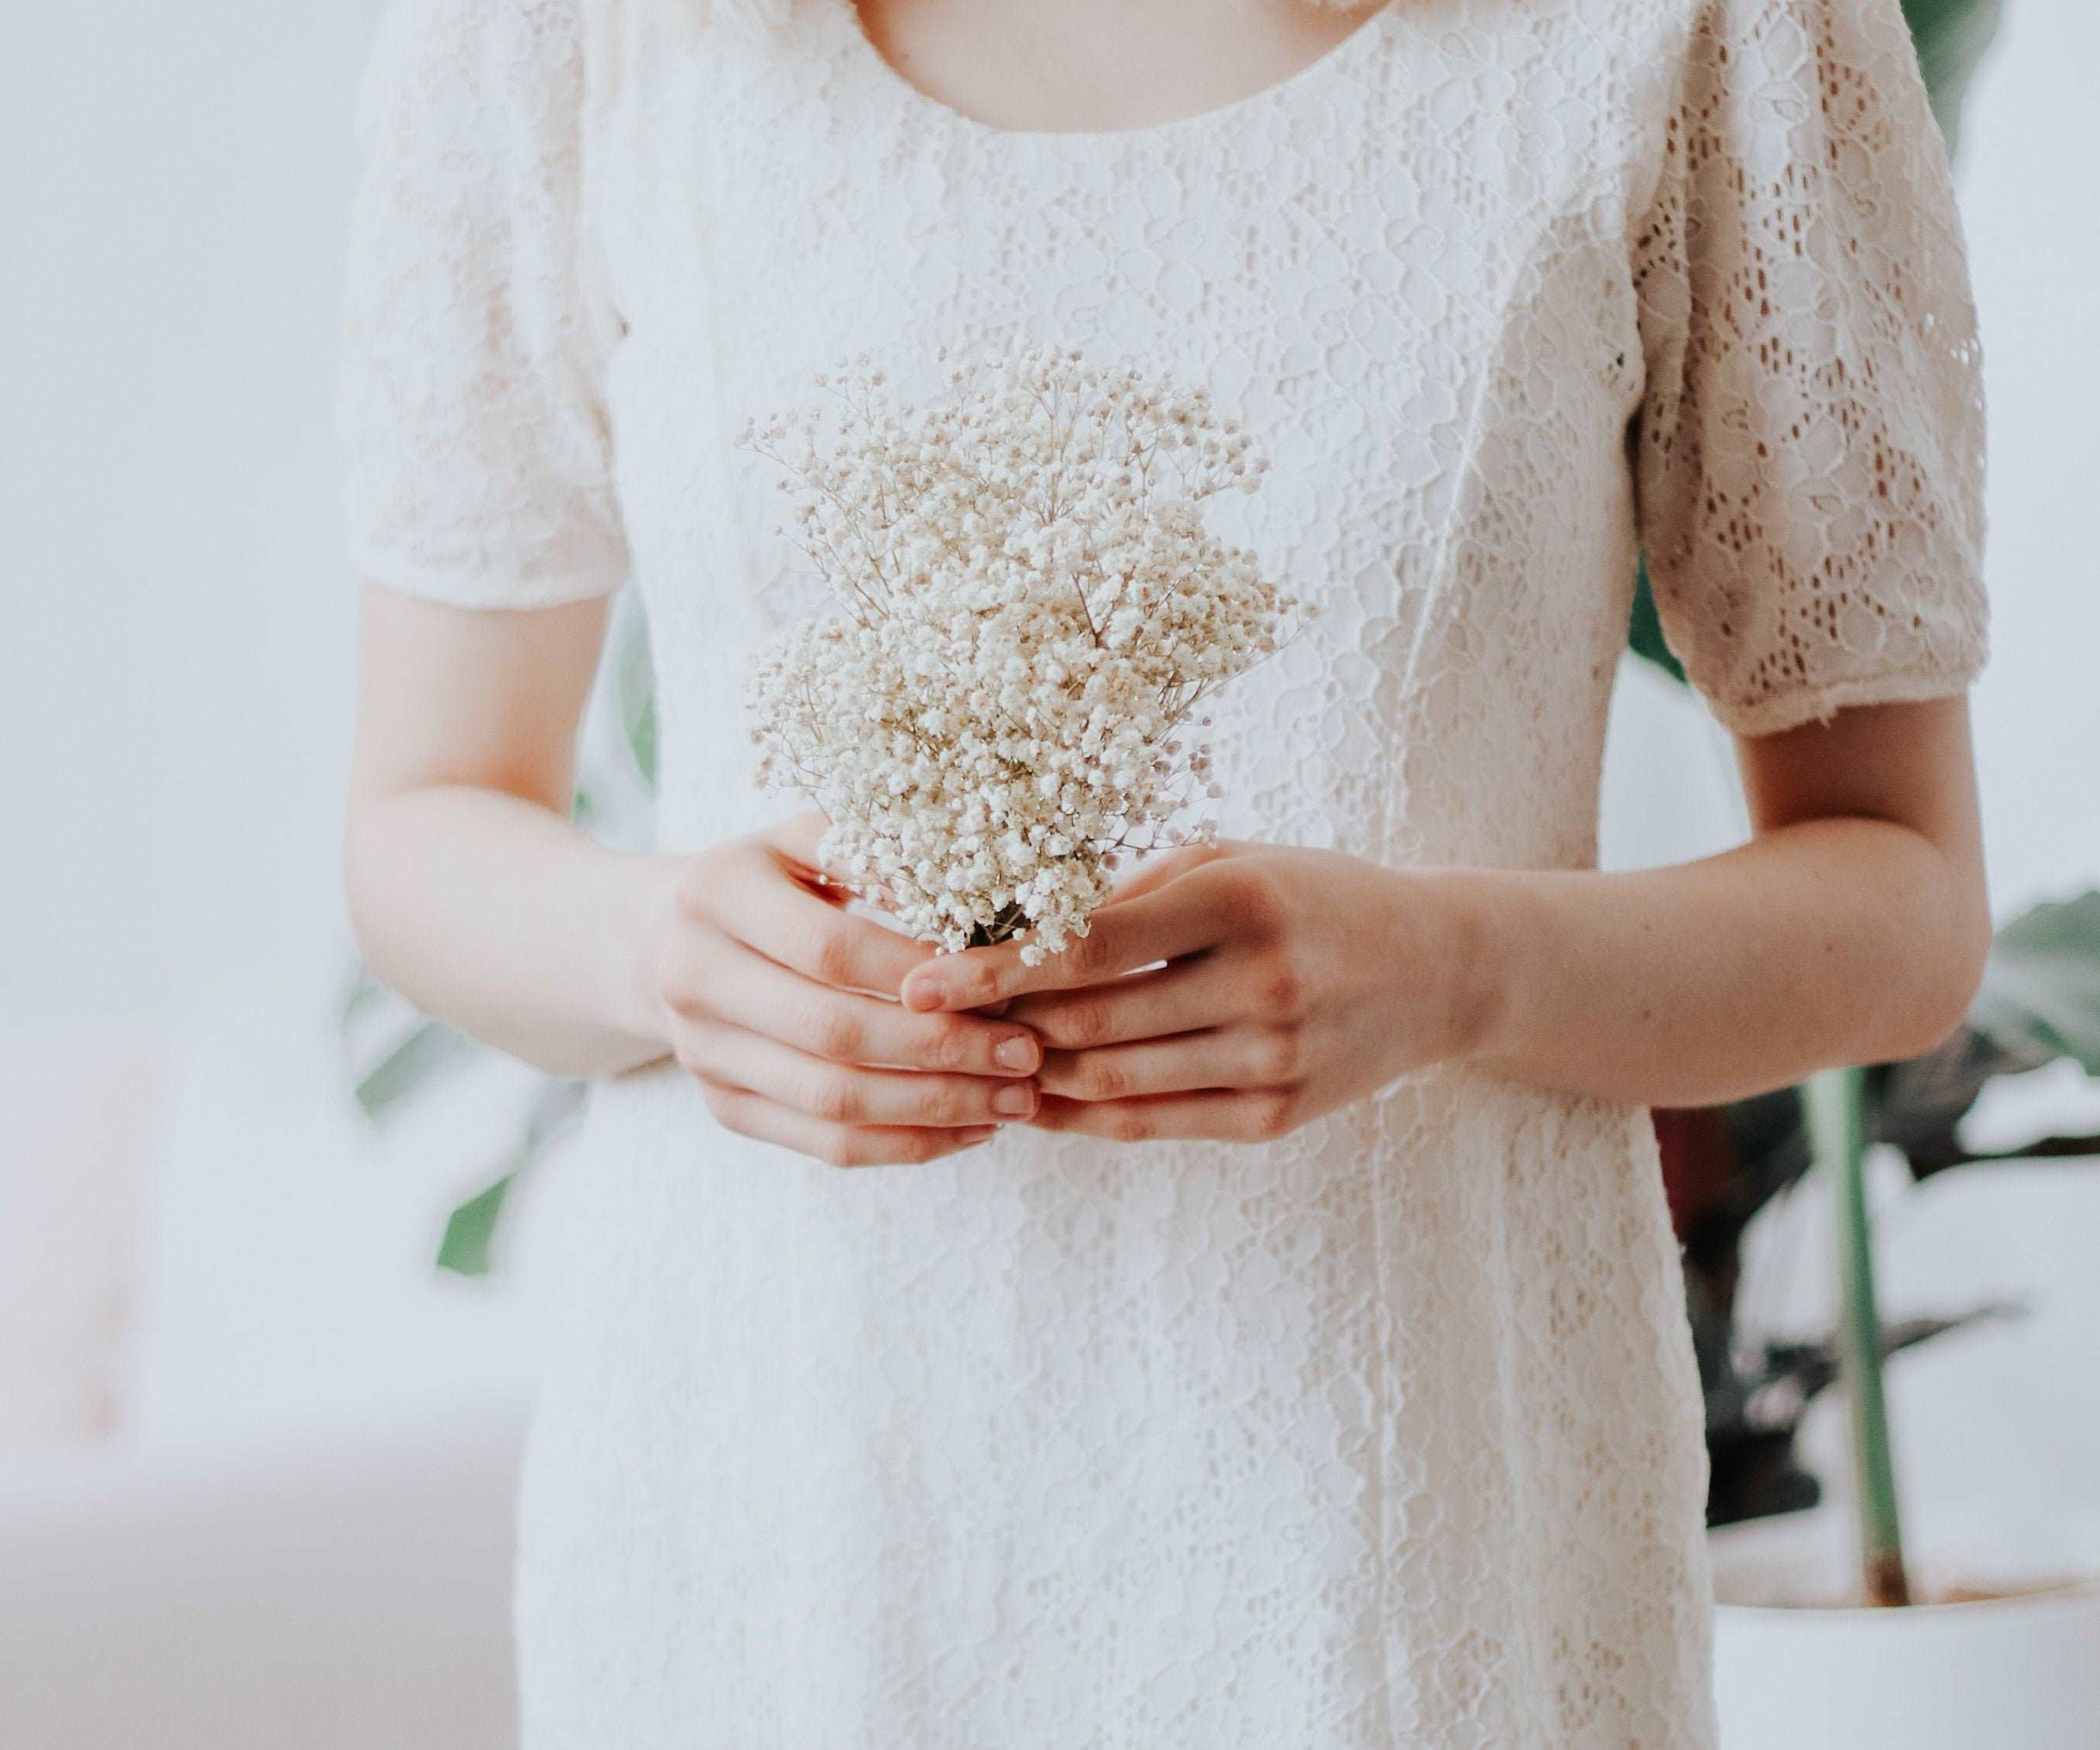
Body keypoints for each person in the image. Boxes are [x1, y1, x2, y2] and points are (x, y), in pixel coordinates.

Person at [335, 0, 1992, 1741]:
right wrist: (655, 947)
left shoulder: (1701, 28)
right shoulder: (568, 35)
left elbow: (1901, 895)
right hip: (781, 1527)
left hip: (1397, 1544)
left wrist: (1456, 967)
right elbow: (424, 820)